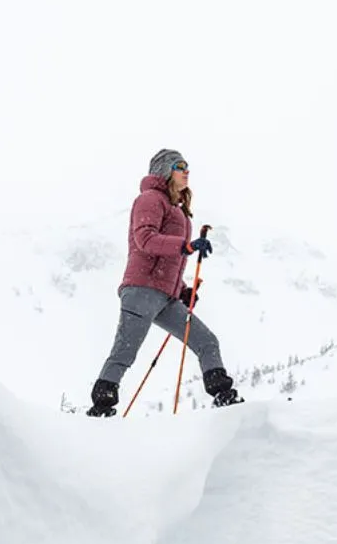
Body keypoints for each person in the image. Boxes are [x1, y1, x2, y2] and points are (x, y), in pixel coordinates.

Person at [87, 148, 244, 416]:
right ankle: (101, 409)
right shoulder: (149, 199)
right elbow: (145, 240)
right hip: (141, 291)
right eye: (180, 166)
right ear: (164, 170)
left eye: (187, 167)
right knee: (125, 352)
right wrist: (186, 246)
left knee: (207, 341)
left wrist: (183, 291)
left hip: (165, 297)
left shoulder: (177, 210)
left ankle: (223, 397)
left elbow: (168, 262)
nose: (186, 171)